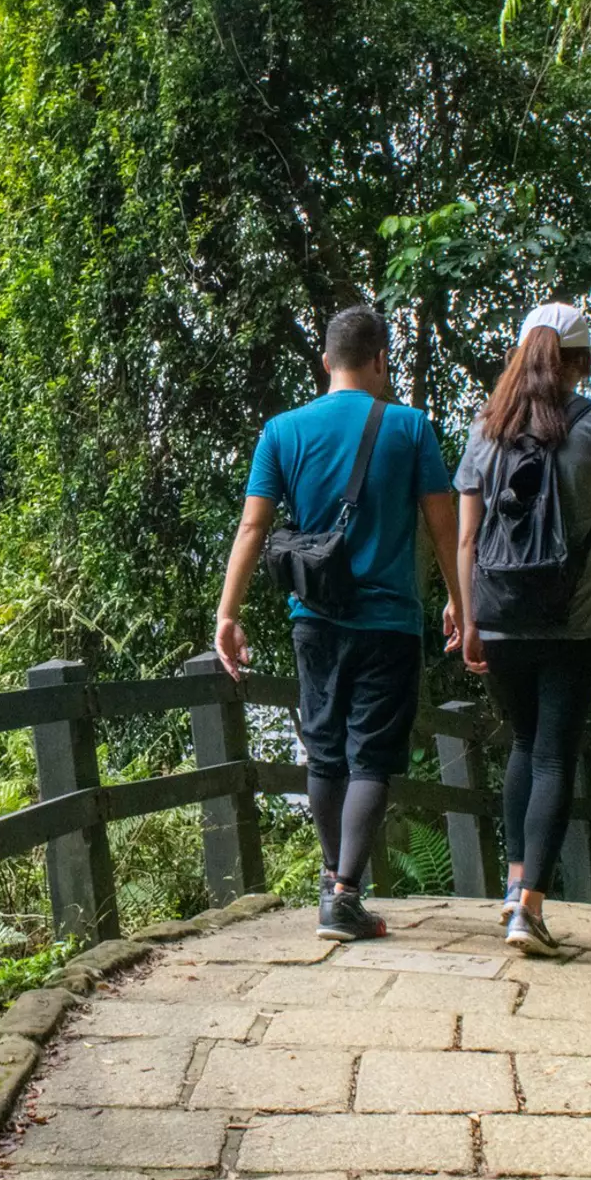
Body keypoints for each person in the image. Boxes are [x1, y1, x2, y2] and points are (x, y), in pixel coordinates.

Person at [215, 303, 463, 942]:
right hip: (388, 623)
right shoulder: (410, 428)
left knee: (324, 750)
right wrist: (461, 600)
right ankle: (346, 894)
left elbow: (252, 527)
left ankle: (333, 881)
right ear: (381, 360)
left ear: (326, 363)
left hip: (314, 620)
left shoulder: (282, 432)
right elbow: (443, 527)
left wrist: (227, 613)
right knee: (372, 755)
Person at [453, 302, 591, 957]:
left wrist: (467, 615)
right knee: (552, 754)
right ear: (579, 360)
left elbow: (465, 540)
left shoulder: (485, 430)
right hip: (576, 620)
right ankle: (529, 906)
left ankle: (514, 892)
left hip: (501, 615)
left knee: (523, 745)